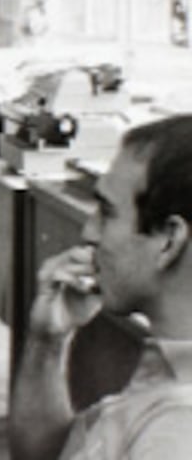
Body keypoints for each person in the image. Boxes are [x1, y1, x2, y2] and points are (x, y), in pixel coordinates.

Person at [10, 115, 192, 460]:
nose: (89, 233)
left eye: (107, 213)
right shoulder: (168, 366)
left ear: (169, 240)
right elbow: (52, 454)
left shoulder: (177, 433)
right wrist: (48, 342)